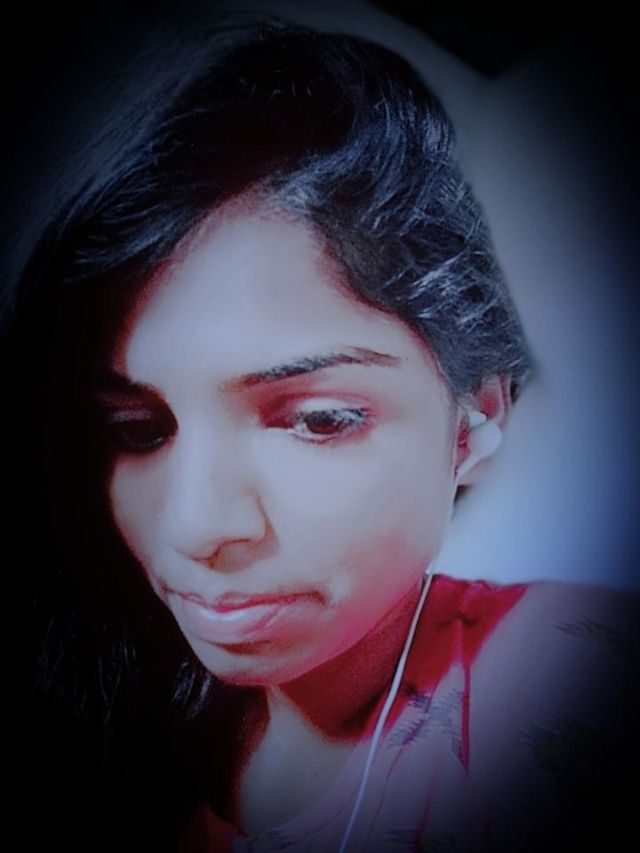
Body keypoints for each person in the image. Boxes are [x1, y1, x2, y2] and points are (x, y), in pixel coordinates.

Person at [5, 8, 637, 853]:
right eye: (140, 429)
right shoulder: (94, 693)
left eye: (317, 419)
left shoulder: (562, 673)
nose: (195, 528)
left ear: (476, 418)